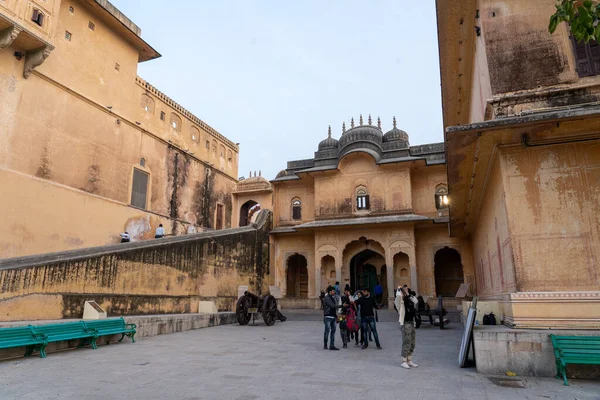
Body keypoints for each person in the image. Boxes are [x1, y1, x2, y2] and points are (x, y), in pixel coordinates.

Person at [395, 285, 419, 369]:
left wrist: (408, 293)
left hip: (412, 323)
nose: (405, 291)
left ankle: (409, 360)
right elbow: (397, 300)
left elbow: (415, 301)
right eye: (403, 290)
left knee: (412, 342)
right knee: (406, 342)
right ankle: (404, 361)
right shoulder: (400, 301)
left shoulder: (409, 299)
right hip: (406, 324)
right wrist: (399, 290)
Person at [323, 285, 345, 350]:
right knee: (327, 331)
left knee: (333, 331)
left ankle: (332, 345)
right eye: (333, 291)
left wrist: (337, 316)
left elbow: (334, 309)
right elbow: (332, 306)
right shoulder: (327, 298)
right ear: (330, 291)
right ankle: (325, 345)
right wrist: (342, 306)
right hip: (328, 317)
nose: (334, 292)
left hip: (333, 317)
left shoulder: (333, 297)